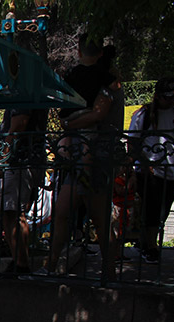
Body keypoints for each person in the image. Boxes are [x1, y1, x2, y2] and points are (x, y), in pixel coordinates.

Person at [41, 34, 117, 278]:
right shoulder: (85, 77)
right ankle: (50, 267)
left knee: (99, 217)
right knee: (62, 212)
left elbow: (98, 115)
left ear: (79, 50)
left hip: (94, 155)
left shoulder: (108, 81)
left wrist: (69, 125)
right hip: (78, 154)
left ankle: (109, 272)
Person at [128, 77, 174, 264]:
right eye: (167, 97)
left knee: (163, 210)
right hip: (150, 171)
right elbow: (133, 141)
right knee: (152, 208)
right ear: (157, 96)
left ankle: (144, 242)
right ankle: (151, 247)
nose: (171, 100)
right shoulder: (143, 115)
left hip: (172, 171)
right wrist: (143, 164)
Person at [0, 108, 48, 274]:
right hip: (24, 160)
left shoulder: (24, 92)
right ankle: (19, 262)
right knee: (11, 212)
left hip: (18, 161)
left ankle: (21, 265)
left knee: (12, 212)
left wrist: (3, 156)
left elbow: (19, 123)